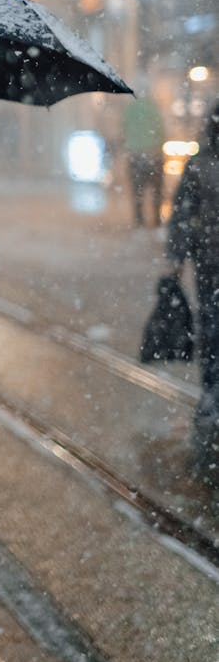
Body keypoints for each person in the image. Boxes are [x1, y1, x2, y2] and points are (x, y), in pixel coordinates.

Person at [167, 98, 219, 483]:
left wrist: (177, 256)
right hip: (210, 261)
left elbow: (183, 213)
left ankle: (211, 395)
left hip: (210, 263)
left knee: (212, 327)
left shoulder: (200, 165)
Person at [121, 91, 165, 227]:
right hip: (154, 154)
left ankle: (139, 220)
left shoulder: (130, 109)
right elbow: (161, 130)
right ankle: (156, 220)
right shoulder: (154, 108)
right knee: (156, 191)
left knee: (137, 191)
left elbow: (124, 129)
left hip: (135, 155)